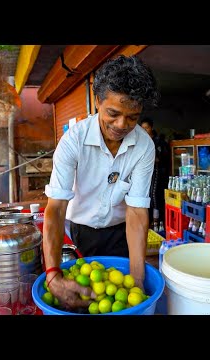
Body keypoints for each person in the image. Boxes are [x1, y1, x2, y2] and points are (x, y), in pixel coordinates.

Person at [43, 55, 160, 310]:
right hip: (80, 230)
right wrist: (52, 275)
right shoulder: (73, 141)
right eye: (113, 113)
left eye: (132, 117)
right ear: (98, 101)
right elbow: (56, 208)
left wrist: (138, 282)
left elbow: (137, 212)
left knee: (116, 296)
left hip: (121, 232)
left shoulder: (144, 146)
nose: (121, 125)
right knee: (80, 298)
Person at [140, 117, 171, 229]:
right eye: (142, 128)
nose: (144, 130)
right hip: (147, 174)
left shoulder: (158, 142)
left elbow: (160, 159)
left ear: (151, 128)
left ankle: (157, 222)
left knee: (155, 197)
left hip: (158, 173)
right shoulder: (142, 142)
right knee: (147, 196)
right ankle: (151, 221)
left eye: (146, 128)